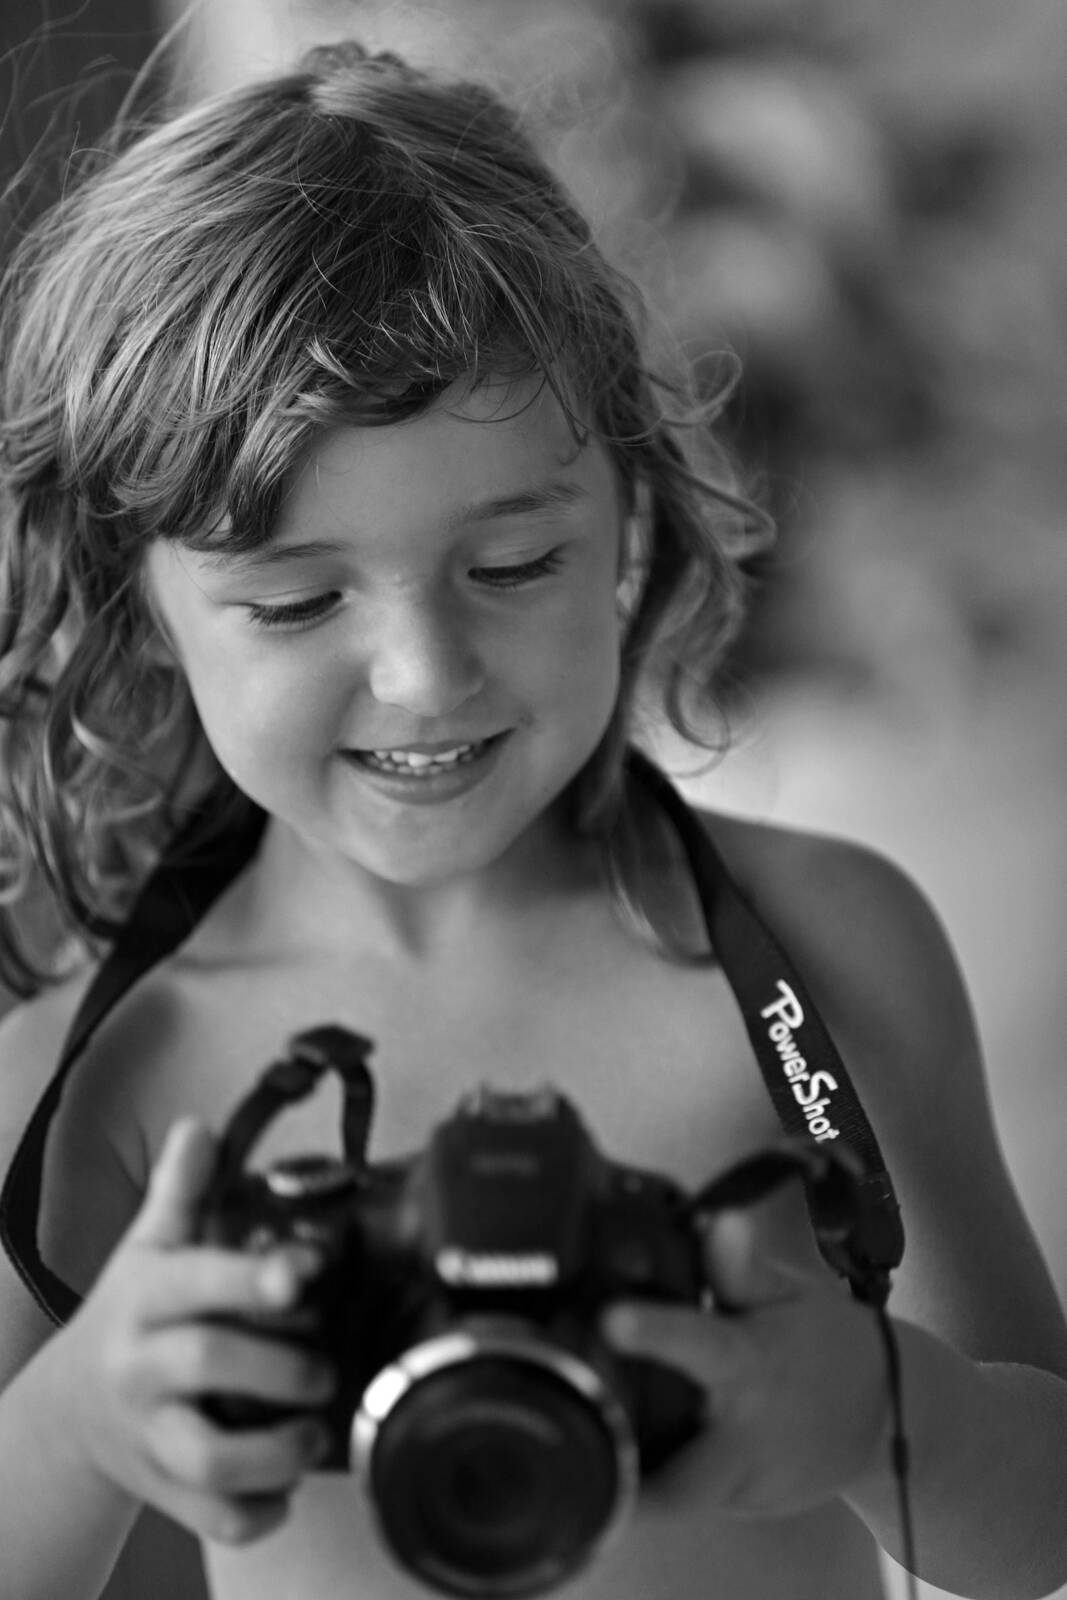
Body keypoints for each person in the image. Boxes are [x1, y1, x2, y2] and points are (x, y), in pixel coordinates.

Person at [0, 38, 1065, 1600]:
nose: (427, 675)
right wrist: (84, 1422)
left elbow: (1048, 1525)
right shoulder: (96, 1073)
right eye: (295, 601)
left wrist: (881, 1414)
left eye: (511, 567)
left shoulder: (817, 959)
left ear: (632, 515)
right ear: (140, 605)